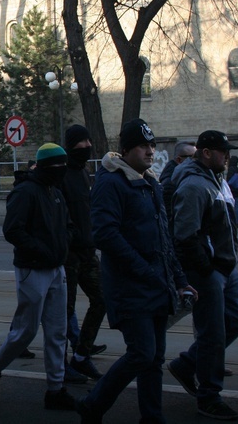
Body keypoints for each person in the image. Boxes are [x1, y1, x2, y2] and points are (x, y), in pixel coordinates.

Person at [78, 118, 194, 423]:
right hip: (130, 287)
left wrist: (180, 279)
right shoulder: (111, 182)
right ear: (127, 149)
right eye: (143, 146)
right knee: (142, 353)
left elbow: (164, 237)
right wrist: (143, 269)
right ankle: (92, 404)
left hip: (156, 285)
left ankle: (151, 417)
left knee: (153, 359)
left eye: (152, 146)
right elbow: (104, 234)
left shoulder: (150, 183)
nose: (150, 151)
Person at [0, 143, 76, 411]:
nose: (61, 171)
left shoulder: (55, 191)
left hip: (56, 269)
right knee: (26, 331)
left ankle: (55, 390)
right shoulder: (26, 192)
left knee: (58, 332)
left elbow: (68, 225)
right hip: (33, 270)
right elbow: (12, 230)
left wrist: (62, 246)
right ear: (45, 167)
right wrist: (42, 250)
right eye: (58, 166)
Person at [168, 130, 238, 420]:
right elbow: (184, 236)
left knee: (234, 323)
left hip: (226, 267)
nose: (227, 156)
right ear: (206, 153)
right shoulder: (193, 186)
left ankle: (186, 364)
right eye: (222, 151)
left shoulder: (217, 179)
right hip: (209, 271)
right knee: (212, 334)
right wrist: (207, 268)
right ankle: (209, 396)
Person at [60, 125, 107, 381]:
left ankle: (81, 356)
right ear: (71, 145)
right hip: (69, 255)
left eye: (89, 140)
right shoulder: (63, 174)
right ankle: (62, 364)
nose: (87, 145)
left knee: (102, 299)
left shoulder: (84, 172)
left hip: (88, 252)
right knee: (63, 312)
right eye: (82, 141)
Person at [159, 141, 196, 232]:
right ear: (179, 160)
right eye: (193, 157)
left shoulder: (183, 177)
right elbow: (169, 218)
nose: (196, 161)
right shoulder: (171, 183)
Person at [227, 155, 238, 227]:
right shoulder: (237, 169)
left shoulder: (231, 169)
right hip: (237, 190)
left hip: (232, 190)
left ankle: (237, 221)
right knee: (236, 205)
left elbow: (230, 181)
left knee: (234, 206)